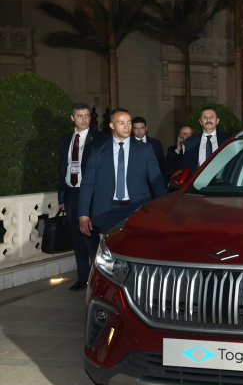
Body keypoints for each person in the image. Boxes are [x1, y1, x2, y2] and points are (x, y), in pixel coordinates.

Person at [78, 109, 166, 237]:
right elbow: (88, 183)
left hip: (138, 209)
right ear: (112, 125)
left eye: (129, 122)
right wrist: (83, 213)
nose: (127, 126)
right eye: (121, 123)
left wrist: (162, 209)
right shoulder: (98, 151)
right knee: (112, 247)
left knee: (136, 245)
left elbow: (157, 181)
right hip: (108, 211)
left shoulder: (145, 149)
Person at [57, 103, 109, 291]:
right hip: (71, 194)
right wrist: (62, 197)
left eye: (87, 115)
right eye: (80, 116)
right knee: (77, 237)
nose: (84, 119)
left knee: (90, 236)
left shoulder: (101, 138)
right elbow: (62, 168)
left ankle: (99, 278)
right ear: (73, 118)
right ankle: (83, 277)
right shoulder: (66, 140)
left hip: (91, 194)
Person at [181, 107, 232, 174]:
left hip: (221, 178)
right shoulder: (190, 142)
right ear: (200, 122)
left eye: (211, 117)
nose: (208, 120)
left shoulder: (228, 139)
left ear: (217, 121)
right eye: (205, 117)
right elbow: (186, 165)